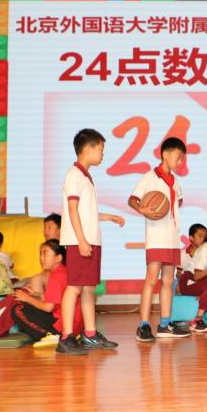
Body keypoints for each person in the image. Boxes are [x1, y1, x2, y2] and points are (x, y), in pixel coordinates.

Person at [59, 128, 125, 355]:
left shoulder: (86, 176)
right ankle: (66, 337)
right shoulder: (74, 175)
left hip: (89, 240)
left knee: (88, 288)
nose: (102, 154)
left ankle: (90, 335)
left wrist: (108, 217)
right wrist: (81, 240)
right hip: (80, 241)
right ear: (87, 149)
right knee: (74, 288)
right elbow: (72, 210)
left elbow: (85, 213)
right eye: (101, 150)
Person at [129, 137, 190, 343]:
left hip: (172, 237)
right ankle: (143, 325)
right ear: (165, 154)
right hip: (156, 237)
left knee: (168, 281)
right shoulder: (150, 177)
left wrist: (165, 207)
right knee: (151, 280)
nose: (180, 162)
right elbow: (132, 199)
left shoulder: (175, 181)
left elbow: (178, 202)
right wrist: (143, 209)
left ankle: (164, 324)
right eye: (178, 157)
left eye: (182, 159)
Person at [11, 239, 86, 348]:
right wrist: (39, 296)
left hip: (62, 327)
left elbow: (48, 308)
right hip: (74, 327)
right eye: (41, 254)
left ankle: (52, 335)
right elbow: (59, 301)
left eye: (45, 254)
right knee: (27, 304)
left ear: (58, 258)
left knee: (17, 309)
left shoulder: (56, 276)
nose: (42, 258)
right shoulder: (63, 271)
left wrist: (27, 298)